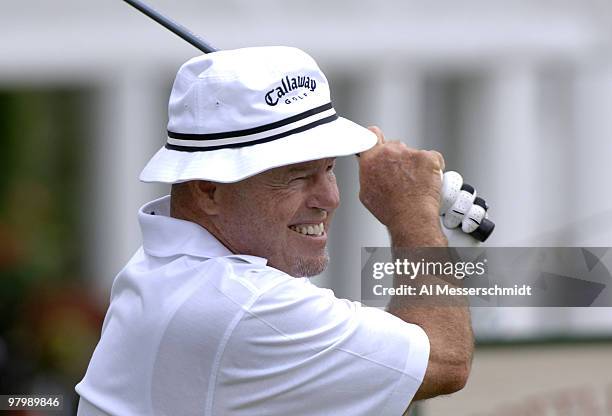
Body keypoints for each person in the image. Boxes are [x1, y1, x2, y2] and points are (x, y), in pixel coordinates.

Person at [75, 46, 473, 415]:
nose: (330, 198)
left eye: (330, 169)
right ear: (208, 190)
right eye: (297, 177)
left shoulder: (168, 266)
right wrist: (412, 214)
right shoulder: (245, 305)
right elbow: (446, 358)